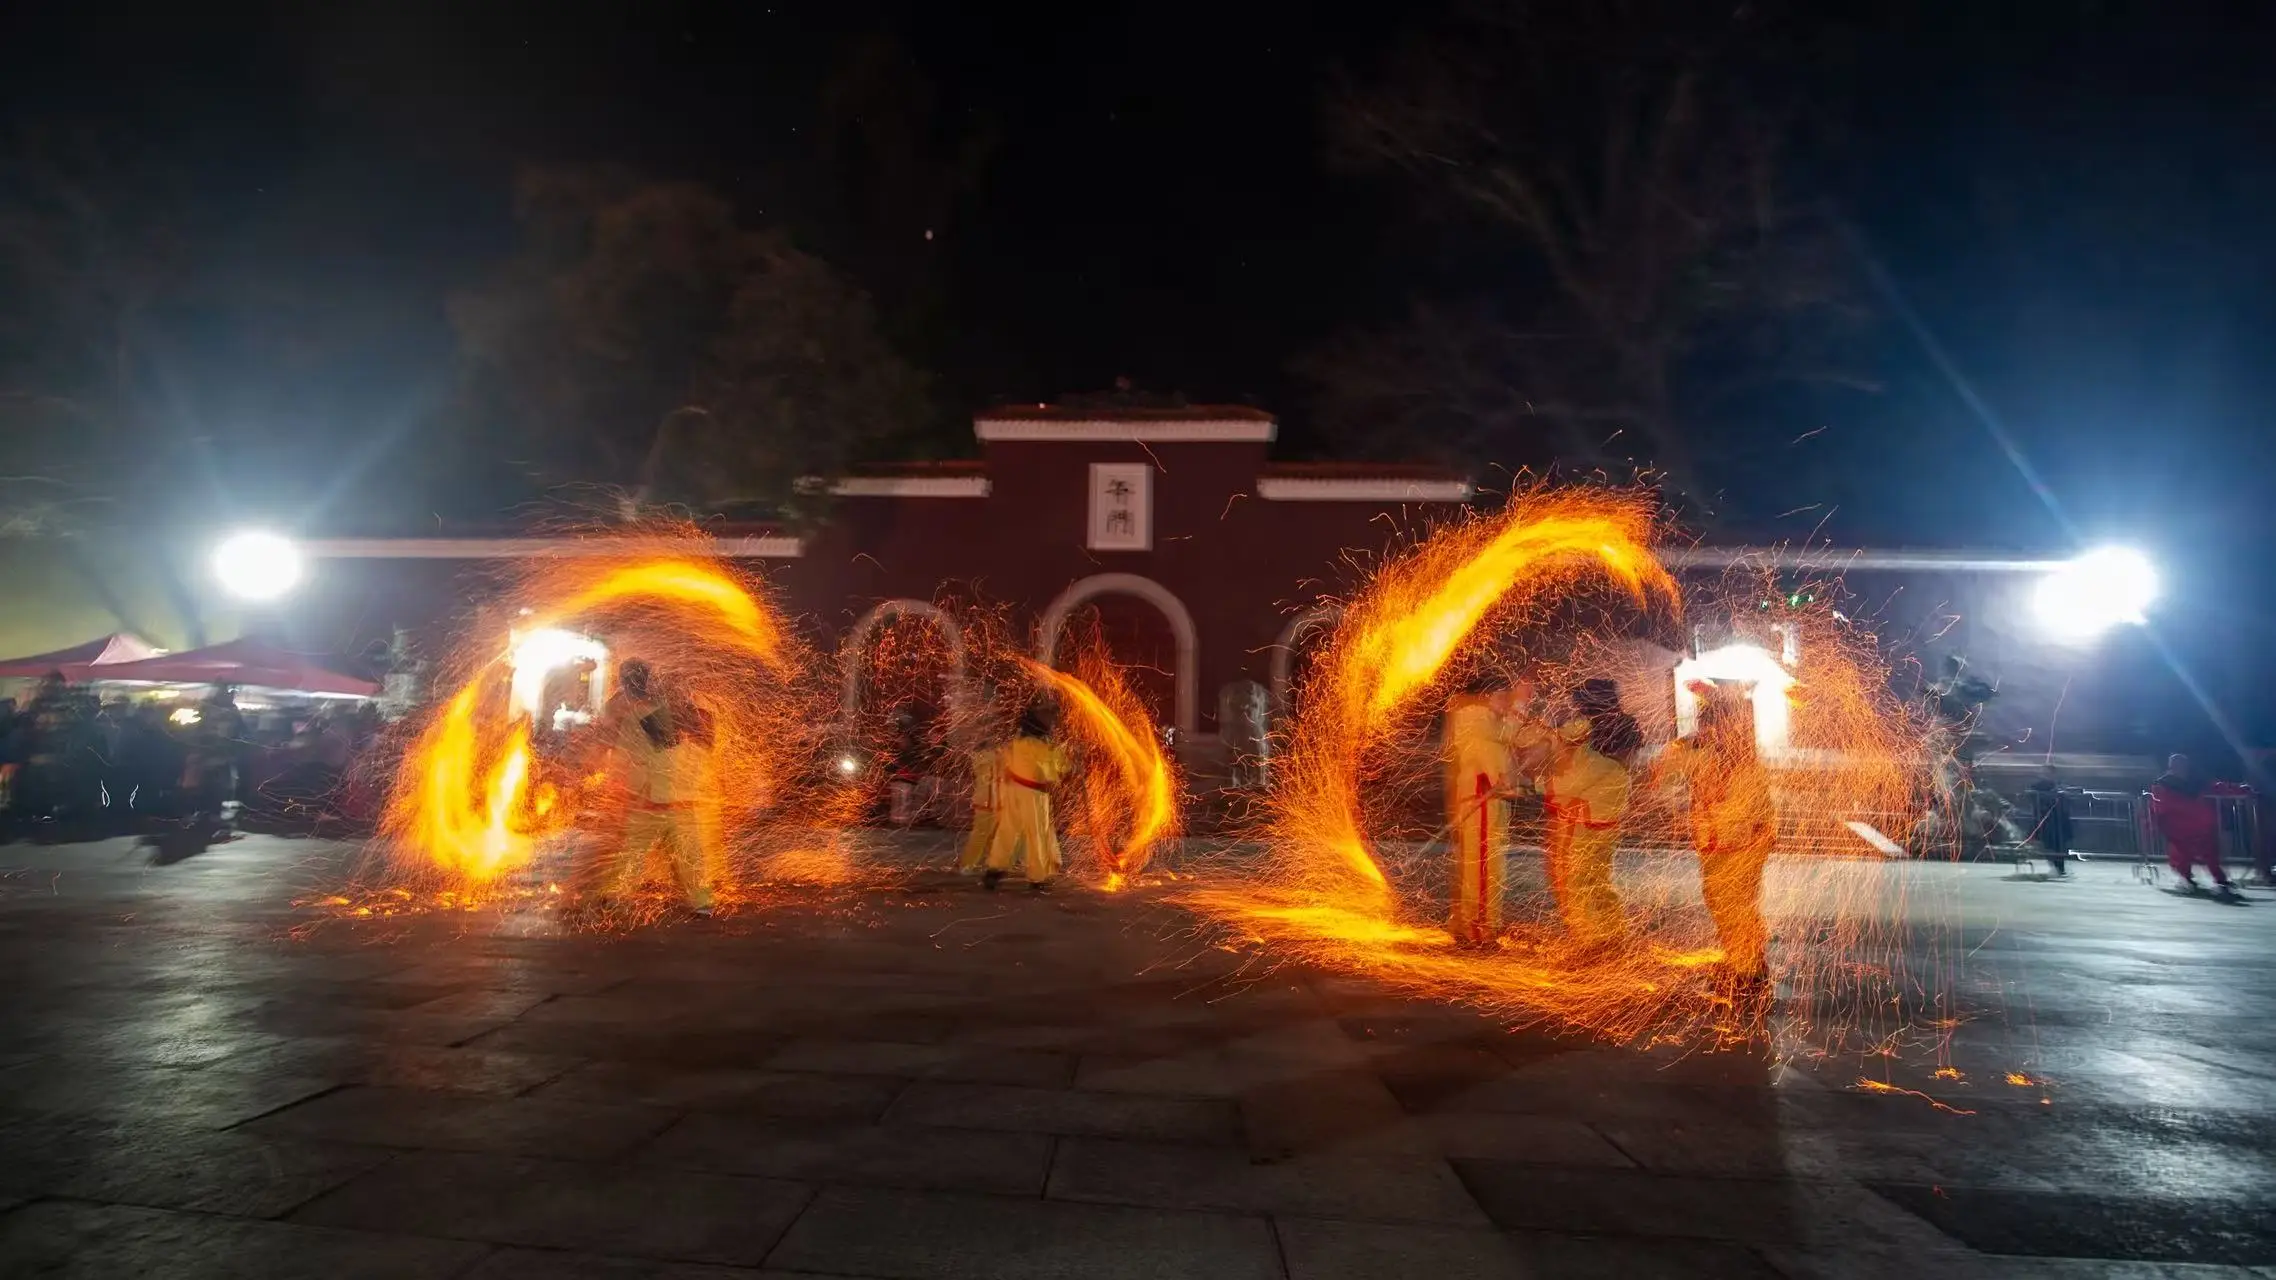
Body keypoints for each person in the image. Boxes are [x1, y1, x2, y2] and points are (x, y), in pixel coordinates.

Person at [1658, 682, 1776, 994]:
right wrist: (1681, 745)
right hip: (1714, 846)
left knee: (1735, 904)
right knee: (1721, 903)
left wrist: (1753, 844)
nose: (1716, 732)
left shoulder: (1750, 768)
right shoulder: (1703, 756)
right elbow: (1660, 776)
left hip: (1744, 846)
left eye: (1722, 726)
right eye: (1711, 726)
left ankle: (1746, 970)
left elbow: (1758, 814)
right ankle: (1745, 958)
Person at [1514, 678, 1640, 953]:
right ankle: (1612, 935)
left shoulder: (1589, 737)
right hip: (1606, 820)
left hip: (1578, 818)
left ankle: (1589, 944)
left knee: (1572, 882)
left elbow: (1568, 775)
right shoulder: (1623, 728)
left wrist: (1531, 783)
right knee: (1597, 880)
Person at [594, 659, 714, 916]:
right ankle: (701, 901)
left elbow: (630, 751)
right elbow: (698, 738)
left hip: (652, 802)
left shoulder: (641, 715)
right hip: (675, 800)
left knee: (637, 851)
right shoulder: (665, 711)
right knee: (686, 855)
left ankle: (618, 897)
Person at [1441, 674, 1515, 946]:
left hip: (1477, 804)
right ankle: (1481, 928)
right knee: (1485, 867)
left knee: (1475, 864)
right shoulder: (1483, 734)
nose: (1506, 704)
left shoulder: (1476, 728)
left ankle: (1465, 922)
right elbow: (1507, 783)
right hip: (1482, 806)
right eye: (1501, 697)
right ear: (1486, 698)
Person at [982, 703, 1074, 891]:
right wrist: (1070, 760)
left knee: (1007, 830)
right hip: (1033, 795)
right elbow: (1053, 770)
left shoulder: (1018, 742)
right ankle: (1037, 876)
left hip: (1013, 790)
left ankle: (995, 869)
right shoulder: (1041, 747)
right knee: (1036, 834)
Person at [2148, 753, 2251, 897]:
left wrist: (2241, 789)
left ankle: (2218, 879)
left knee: (2209, 853)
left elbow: (2218, 787)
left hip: (2197, 825)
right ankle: (2188, 878)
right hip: (2180, 827)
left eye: (2183, 765)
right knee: (2184, 854)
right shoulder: (2163, 784)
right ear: (2172, 767)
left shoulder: (2193, 781)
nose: (2182, 768)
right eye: (2179, 765)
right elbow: (2161, 806)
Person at [958, 734, 1003, 876]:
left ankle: (993, 865)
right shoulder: (985, 757)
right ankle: (968, 864)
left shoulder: (989, 756)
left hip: (994, 802)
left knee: (993, 836)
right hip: (987, 802)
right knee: (981, 835)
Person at [2024, 770, 2073, 877]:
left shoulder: (2058, 786)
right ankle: (2058, 867)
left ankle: (2059, 867)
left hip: (2054, 821)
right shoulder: (2041, 786)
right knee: (2051, 845)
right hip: (2048, 821)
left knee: (2055, 846)